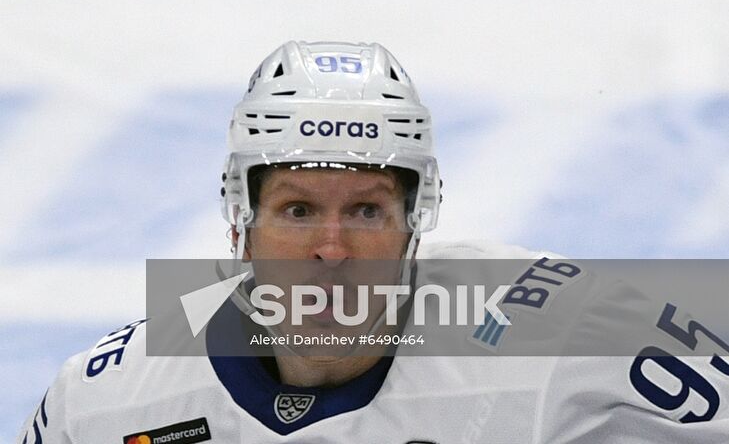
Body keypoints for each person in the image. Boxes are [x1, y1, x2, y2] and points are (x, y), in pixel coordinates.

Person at [17, 41, 729, 442]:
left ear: (415, 226)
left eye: (365, 212)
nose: (331, 249)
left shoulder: (572, 338)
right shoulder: (104, 401)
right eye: (297, 211)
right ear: (241, 223)